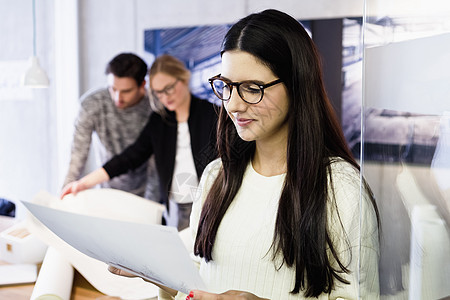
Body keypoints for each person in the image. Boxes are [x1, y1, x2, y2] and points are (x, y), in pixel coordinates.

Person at [110, 9, 380, 300]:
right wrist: (156, 272)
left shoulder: (340, 188)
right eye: (226, 86)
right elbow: (200, 280)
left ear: (297, 85)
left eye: (252, 88)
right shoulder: (216, 176)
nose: (234, 105)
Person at [61, 54, 219, 231]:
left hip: (211, 202)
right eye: (158, 92)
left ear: (183, 79)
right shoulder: (160, 121)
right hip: (178, 203)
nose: (165, 97)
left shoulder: (213, 114)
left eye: (169, 88)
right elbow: (131, 157)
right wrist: (82, 183)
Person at [63, 52, 158, 200]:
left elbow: (156, 163)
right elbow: (78, 153)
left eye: (126, 91)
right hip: (106, 192)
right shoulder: (93, 104)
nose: (118, 98)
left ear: (142, 84)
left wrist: (152, 204)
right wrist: (66, 192)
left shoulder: (156, 107)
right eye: (113, 89)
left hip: (146, 195)